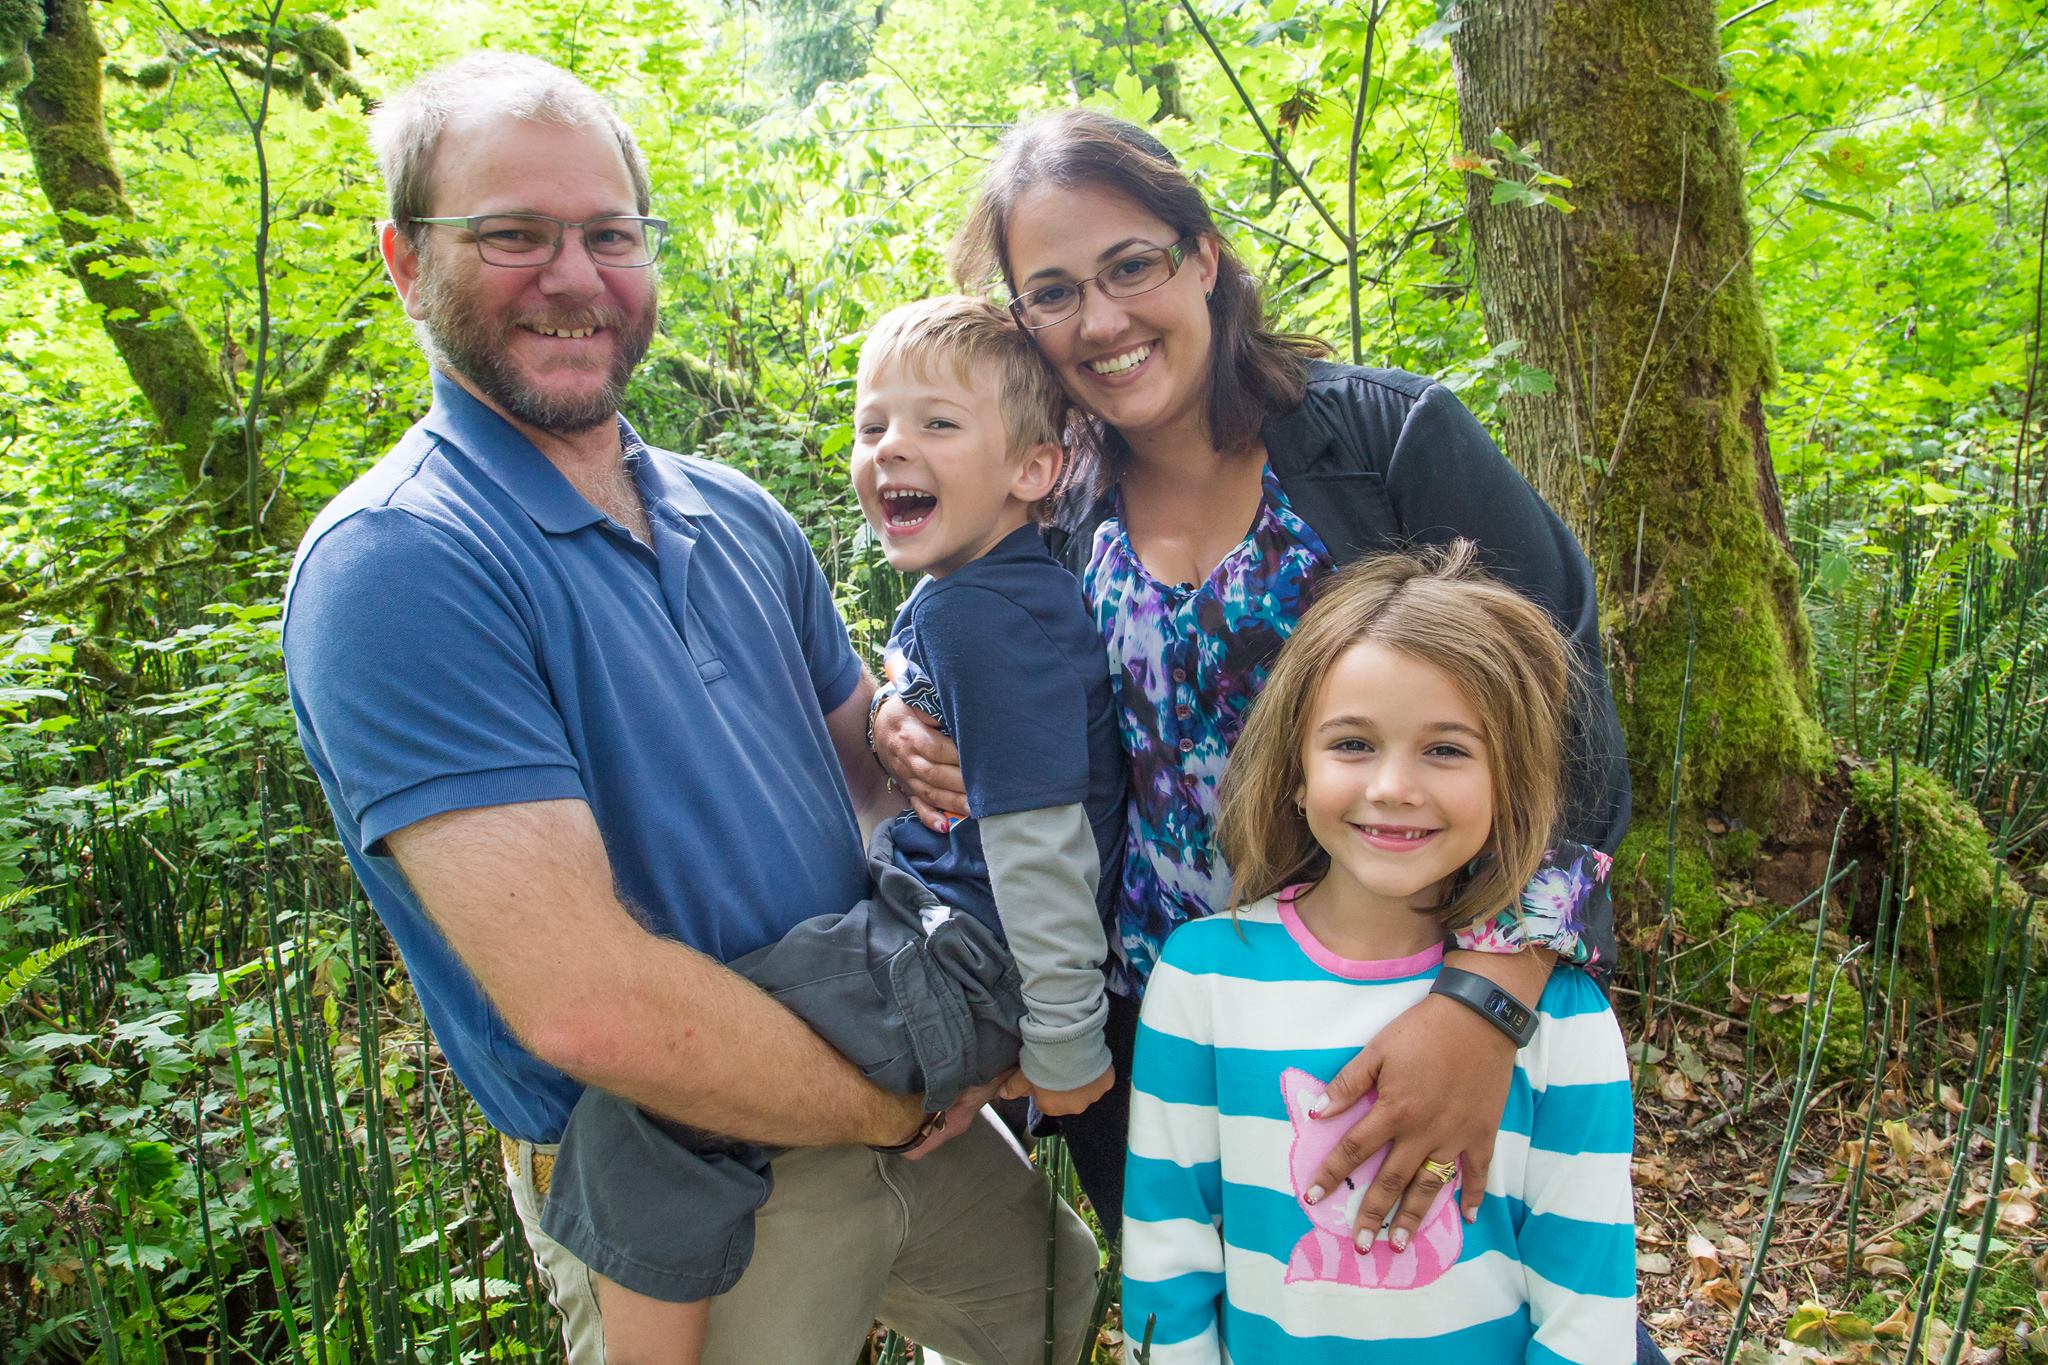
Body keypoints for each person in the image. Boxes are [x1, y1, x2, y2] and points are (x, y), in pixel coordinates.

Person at [281, 54, 1096, 1365]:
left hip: (896, 1077)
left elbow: (876, 785)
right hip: (690, 1169)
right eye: (511, 235)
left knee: (1053, 1313)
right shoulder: (402, 563)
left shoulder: (735, 515)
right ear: (402, 259)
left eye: (609, 234)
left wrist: (925, 743)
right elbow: (585, 1008)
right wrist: (897, 1097)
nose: (573, 277)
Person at [874, 107, 1630, 1251]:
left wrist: (1489, 996)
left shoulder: (1383, 447)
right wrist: (905, 709)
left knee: (1460, 1318)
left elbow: (1565, 721)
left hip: (1403, 1009)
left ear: (1204, 258)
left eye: (1131, 265)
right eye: (1055, 291)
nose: (1103, 318)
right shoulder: (1050, 505)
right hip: (1157, 1034)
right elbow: (961, 631)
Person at [538, 295, 1126, 1365]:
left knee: (650, 1103)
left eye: (937, 425)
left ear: (1033, 471)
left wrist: (1059, 1043)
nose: (891, 447)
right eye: (871, 427)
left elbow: (1044, 850)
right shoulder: (996, 591)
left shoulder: (979, 614)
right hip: (943, 942)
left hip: (964, 959)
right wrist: (900, 716)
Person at [1122, 544, 1636, 1364]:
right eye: (1354, 743)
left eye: (1446, 749)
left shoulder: (1565, 1020)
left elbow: (1587, 1312)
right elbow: (1167, 1265)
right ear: (1295, 769)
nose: (1394, 784)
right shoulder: (1202, 980)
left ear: (1510, 780)